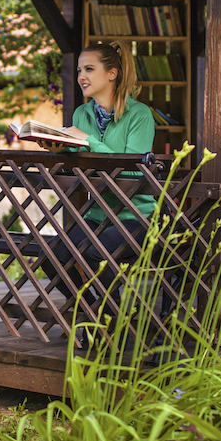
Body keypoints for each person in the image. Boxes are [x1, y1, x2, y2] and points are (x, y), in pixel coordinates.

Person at [46, 42, 157, 329]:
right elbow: (82, 165)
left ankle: (114, 318)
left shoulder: (140, 115)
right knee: (53, 255)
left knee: (95, 252)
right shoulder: (81, 115)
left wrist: (86, 141)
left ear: (112, 74)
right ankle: (95, 313)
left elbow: (133, 176)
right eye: (80, 69)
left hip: (136, 216)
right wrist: (59, 148)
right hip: (97, 214)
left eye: (90, 69)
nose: (82, 75)